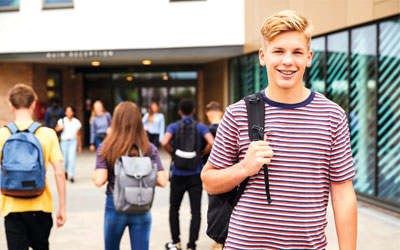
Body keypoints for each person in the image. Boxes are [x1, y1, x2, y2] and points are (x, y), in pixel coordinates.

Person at [201, 10, 357, 250]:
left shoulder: (332, 115)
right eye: (278, 51)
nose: (287, 61)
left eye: (296, 52)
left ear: (309, 57)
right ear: (263, 56)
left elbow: (343, 193)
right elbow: (209, 181)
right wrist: (244, 167)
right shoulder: (237, 113)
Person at [92, 101, 168, 250]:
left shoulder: (107, 147)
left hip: (115, 204)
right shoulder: (149, 148)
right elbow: (163, 180)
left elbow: (99, 180)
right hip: (141, 205)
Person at [0, 83, 66, 250]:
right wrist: (62, 208)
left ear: (11, 105)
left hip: (12, 206)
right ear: (34, 104)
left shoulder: (3, 134)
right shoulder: (47, 133)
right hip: (41, 205)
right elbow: (59, 172)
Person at [161, 98, 214, 250]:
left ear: (179, 111)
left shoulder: (173, 126)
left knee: (174, 208)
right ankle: (192, 245)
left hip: (178, 173)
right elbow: (212, 141)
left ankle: (176, 241)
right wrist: (201, 154)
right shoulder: (200, 127)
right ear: (193, 111)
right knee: (195, 211)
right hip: (195, 174)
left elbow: (164, 142)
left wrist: (173, 155)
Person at [55, 105, 82, 183]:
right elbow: (56, 129)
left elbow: (78, 135)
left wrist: (79, 146)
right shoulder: (62, 120)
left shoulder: (77, 122)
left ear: (73, 112)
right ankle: (65, 171)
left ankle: (71, 175)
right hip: (64, 141)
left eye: (70, 111)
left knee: (72, 158)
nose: (69, 113)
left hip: (73, 141)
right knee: (65, 159)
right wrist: (61, 128)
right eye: (67, 111)